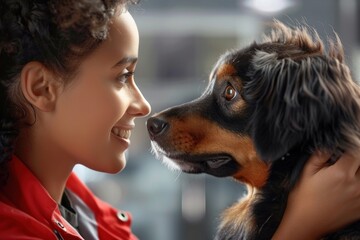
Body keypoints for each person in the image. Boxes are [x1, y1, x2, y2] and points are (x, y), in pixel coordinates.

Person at [0, 0, 359, 239]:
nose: (143, 106)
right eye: (123, 76)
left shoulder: (93, 219)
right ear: (42, 88)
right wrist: (299, 230)